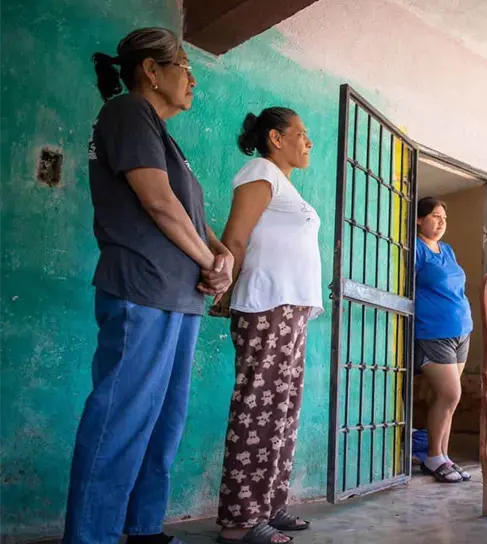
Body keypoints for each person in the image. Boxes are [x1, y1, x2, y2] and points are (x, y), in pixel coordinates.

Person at [65, 27, 233, 544]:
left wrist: (222, 255)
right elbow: (158, 203)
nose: (193, 79)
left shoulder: (164, 137)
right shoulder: (127, 112)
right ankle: (91, 536)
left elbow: (187, 211)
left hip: (180, 296)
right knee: (121, 418)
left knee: (162, 422)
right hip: (142, 289)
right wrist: (210, 260)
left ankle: (142, 528)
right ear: (151, 71)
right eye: (185, 67)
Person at [209, 108, 323, 543]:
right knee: (257, 409)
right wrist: (224, 292)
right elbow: (236, 237)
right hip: (266, 306)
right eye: (301, 133)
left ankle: (269, 506)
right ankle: (240, 520)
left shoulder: (286, 185)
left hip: (290, 310)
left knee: (282, 413)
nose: (308, 142)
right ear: (276, 138)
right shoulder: (260, 171)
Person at [414, 197, 474, 483]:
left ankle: (443, 456)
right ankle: (433, 457)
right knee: (450, 394)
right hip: (433, 331)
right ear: (419, 219)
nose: (441, 222)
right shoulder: (415, 248)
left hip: (461, 329)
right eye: (435, 216)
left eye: (444, 218)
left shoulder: (447, 250)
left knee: (448, 399)